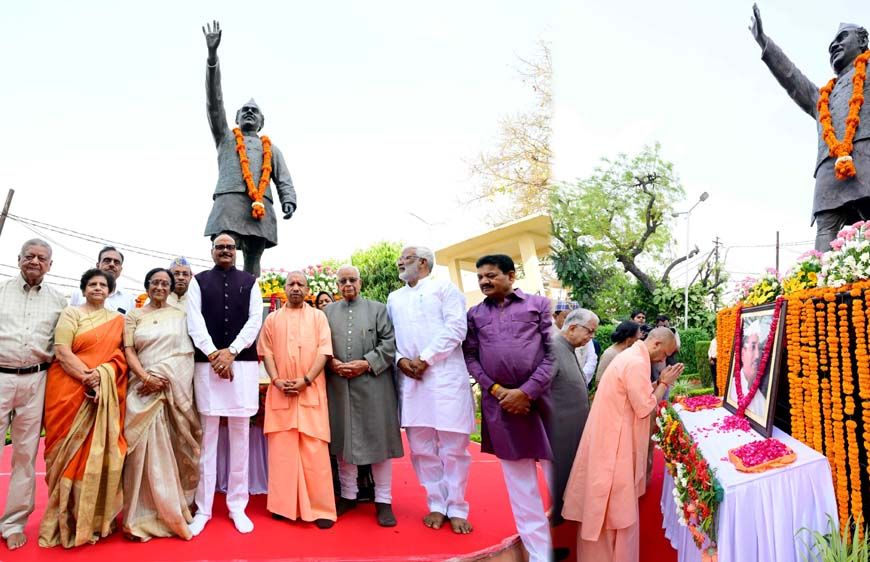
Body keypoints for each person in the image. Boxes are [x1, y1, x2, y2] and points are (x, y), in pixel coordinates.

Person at [750, 6, 870, 251]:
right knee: (826, 230)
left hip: (866, 159)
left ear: (862, 41)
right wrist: (764, 42)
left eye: (842, 38)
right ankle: (818, 276)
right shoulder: (823, 97)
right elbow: (792, 78)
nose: (835, 46)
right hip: (829, 167)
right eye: (831, 45)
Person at [562, 328, 683, 562]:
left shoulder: (632, 356)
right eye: (664, 354)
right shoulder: (636, 362)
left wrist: (657, 382)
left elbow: (636, 394)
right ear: (656, 344)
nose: (663, 360)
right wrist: (664, 383)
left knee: (606, 502)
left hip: (608, 435)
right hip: (614, 442)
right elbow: (645, 407)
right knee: (612, 505)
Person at [464, 254, 554, 562]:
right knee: (521, 490)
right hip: (500, 407)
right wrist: (497, 390)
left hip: (542, 404)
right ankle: (540, 556)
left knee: (562, 483)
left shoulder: (538, 305)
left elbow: (553, 353)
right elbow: (471, 357)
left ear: (511, 276)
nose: (484, 281)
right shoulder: (475, 315)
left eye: (491, 275)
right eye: (480, 277)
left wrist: (526, 392)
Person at [387, 246, 475, 534]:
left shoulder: (445, 289)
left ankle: (457, 507)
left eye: (406, 258)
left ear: (423, 262)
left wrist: (426, 358)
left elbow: (456, 329)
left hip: (444, 377)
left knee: (454, 448)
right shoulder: (394, 298)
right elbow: (388, 336)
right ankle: (436, 503)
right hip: (411, 379)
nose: (399, 263)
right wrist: (400, 360)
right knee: (421, 448)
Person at [40, 269, 128, 548]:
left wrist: (102, 377)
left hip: (102, 394)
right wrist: (89, 378)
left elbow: (121, 357)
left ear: (110, 291)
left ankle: (93, 521)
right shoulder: (71, 313)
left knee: (97, 454)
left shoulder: (117, 320)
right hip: (67, 390)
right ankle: (62, 521)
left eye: (103, 285)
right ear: (84, 288)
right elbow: (62, 351)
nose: (98, 288)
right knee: (63, 454)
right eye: (92, 284)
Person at [201, 21, 297, 277]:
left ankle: (250, 295)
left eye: (255, 111)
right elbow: (214, 103)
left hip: (260, 205)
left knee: (254, 257)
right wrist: (212, 58)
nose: (250, 113)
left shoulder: (271, 149)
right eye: (245, 110)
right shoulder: (226, 138)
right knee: (224, 249)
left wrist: (288, 200)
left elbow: (284, 179)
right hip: (229, 200)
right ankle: (220, 291)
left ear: (262, 121)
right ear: (236, 117)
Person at [186, 232, 263, 536]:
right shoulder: (199, 281)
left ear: (237, 251)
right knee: (207, 443)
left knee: (240, 441)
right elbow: (194, 322)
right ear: (212, 251)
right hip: (208, 366)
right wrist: (214, 354)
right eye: (220, 247)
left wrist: (231, 352)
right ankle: (203, 509)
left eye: (230, 247)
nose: (226, 251)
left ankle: (237, 506)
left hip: (241, 367)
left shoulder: (250, 281)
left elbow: (255, 320)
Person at [122, 268, 201, 541]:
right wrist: (146, 377)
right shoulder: (134, 316)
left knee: (172, 448)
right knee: (139, 455)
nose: (160, 287)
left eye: (165, 283)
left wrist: (162, 376)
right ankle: (137, 517)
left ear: (171, 288)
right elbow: (129, 350)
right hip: (141, 389)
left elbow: (186, 354)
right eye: (155, 282)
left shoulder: (180, 316)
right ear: (147, 286)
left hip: (171, 390)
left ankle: (171, 510)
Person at [0, 239, 66, 550]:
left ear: (50, 265)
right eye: (29, 256)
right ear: (18, 259)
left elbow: (64, 344)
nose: (35, 262)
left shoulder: (59, 301)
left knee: (26, 455)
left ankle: (13, 524)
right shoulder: (1, 291)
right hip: (0, 376)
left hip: (37, 379)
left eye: (42, 258)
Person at [325, 265, 402, 527]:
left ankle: (383, 500)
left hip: (373, 385)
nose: (348, 284)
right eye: (342, 281)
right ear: (337, 285)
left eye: (352, 280)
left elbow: (389, 343)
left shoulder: (378, 309)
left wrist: (366, 363)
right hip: (339, 385)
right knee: (343, 441)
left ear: (360, 283)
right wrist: (331, 362)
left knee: (378, 442)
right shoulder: (327, 313)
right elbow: (320, 345)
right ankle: (348, 496)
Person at [258, 271, 336, 529]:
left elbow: (324, 352)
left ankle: (321, 509)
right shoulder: (272, 319)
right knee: (283, 452)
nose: (295, 288)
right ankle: (283, 506)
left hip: (310, 391)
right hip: (281, 391)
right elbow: (266, 353)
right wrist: (276, 380)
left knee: (315, 452)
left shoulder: (318, 317)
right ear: (284, 288)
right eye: (290, 283)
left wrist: (306, 380)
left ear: (307, 290)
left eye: (300, 284)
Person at [542, 309, 596, 543]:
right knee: (558, 477)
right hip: (559, 429)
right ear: (572, 327)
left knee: (568, 476)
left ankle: (561, 518)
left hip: (571, 428)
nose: (591, 337)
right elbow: (540, 389)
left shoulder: (569, 348)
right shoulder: (554, 349)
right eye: (589, 331)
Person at [70, 246, 136, 314]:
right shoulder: (78, 293)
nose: (112, 264)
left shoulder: (130, 299)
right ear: (98, 266)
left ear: (120, 269)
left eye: (116, 262)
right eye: (107, 261)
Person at [727, 320, 768, 416]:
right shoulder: (731, 389)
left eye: (760, 348)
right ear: (742, 353)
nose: (757, 355)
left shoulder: (762, 398)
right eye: (753, 347)